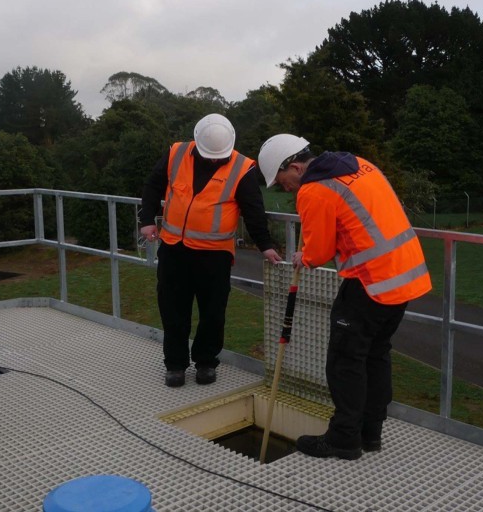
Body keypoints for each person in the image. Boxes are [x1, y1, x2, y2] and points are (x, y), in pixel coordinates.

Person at [257, 134, 432, 460]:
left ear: (295, 167)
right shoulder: (360, 165)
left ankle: (344, 439)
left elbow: (320, 250)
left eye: (283, 182)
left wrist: (304, 256)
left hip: (370, 282)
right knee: (376, 354)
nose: (286, 189)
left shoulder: (314, 189)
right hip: (405, 277)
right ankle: (370, 434)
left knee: (344, 360)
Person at [140, 114, 282, 388]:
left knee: (213, 313)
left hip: (214, 255)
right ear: (196, 141)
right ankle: (175, 365)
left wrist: (265, 245)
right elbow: (152, 185)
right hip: (174, 249)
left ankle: (206, 362)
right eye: (210, 156)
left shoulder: (243, 168)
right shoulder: (176, 153)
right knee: (173, 310)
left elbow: (253, 210)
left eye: (220, 157)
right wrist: (147, 220)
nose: (215, 160)